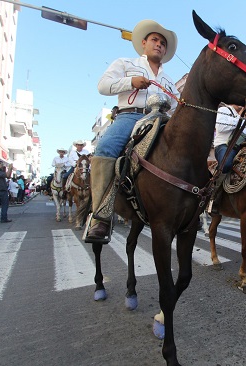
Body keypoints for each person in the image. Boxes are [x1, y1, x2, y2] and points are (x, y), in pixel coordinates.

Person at [86, 19, 179, 242]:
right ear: (144, 43)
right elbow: (102, 85)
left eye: (163, 43)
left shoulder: (169, 80)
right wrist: (131, 82)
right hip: (131, 115)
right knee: (105, 150)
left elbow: (176, 106)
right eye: (155, 40)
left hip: (162, 121)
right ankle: (101, 217)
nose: (159, 45)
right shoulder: (126, 63)